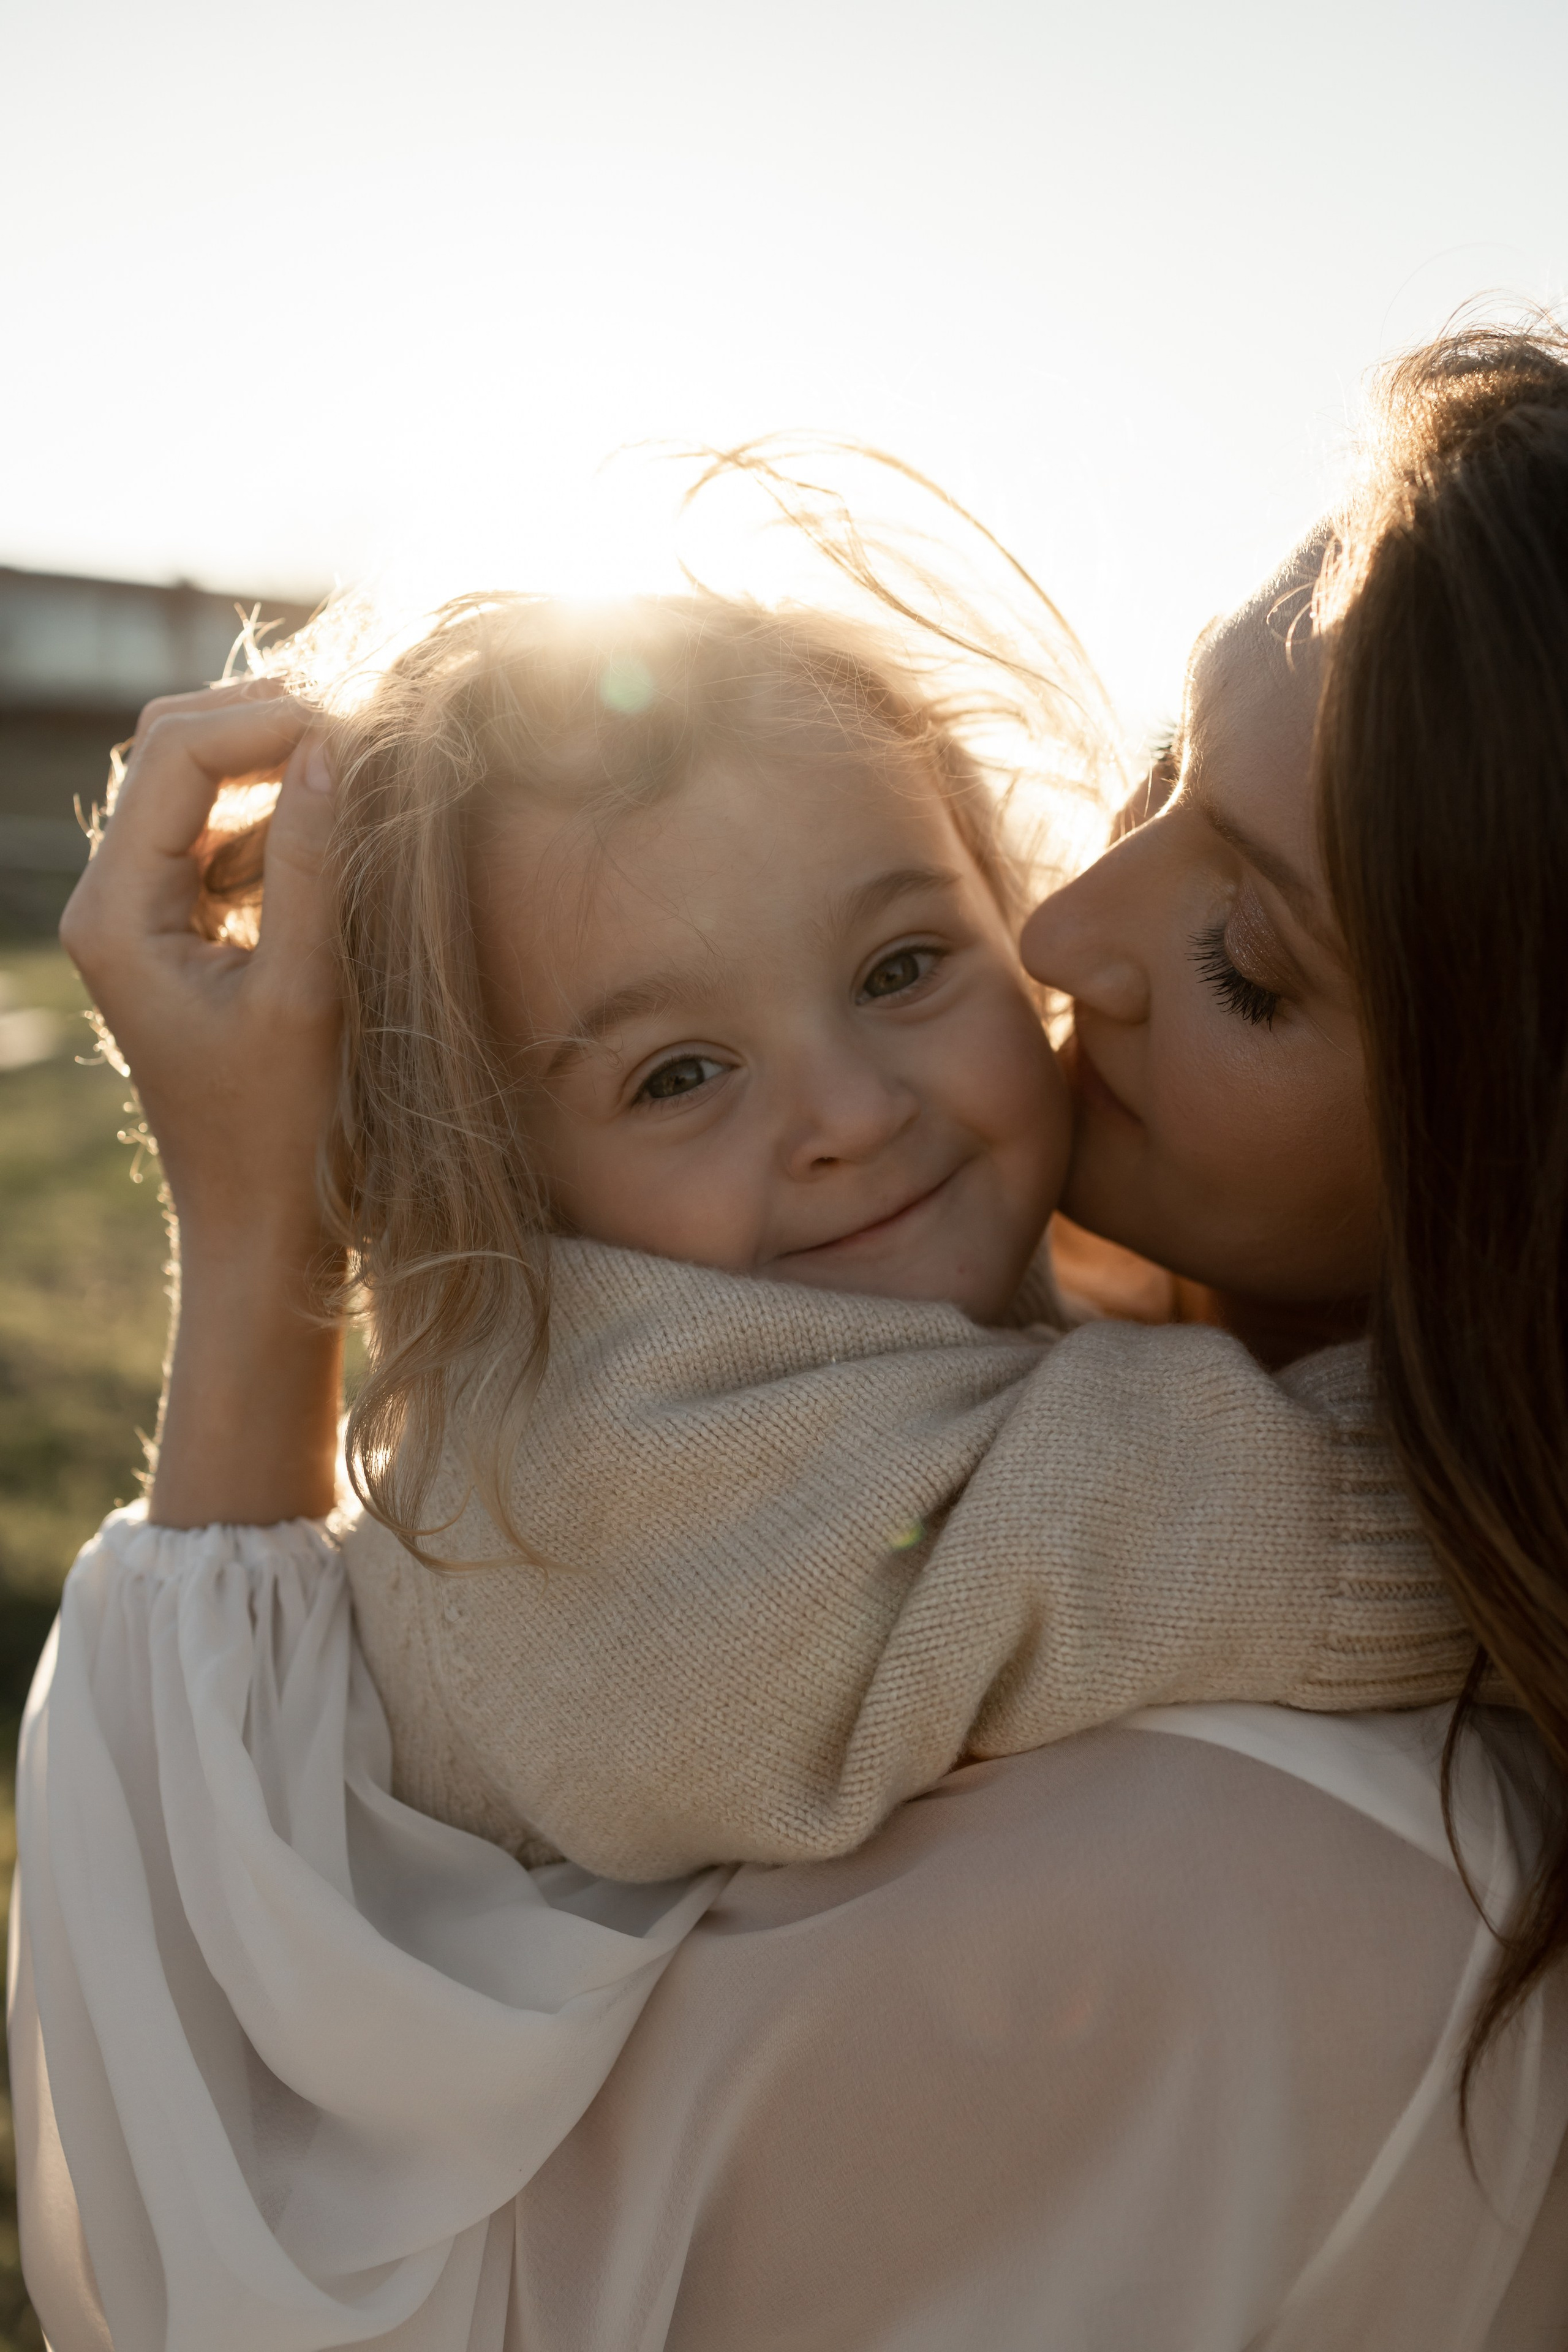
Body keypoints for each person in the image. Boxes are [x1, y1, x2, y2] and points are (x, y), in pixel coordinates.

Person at [12, 328, 1568, 2348]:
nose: (1075, 928)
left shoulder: (1280, 1894)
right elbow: (1115, 1513)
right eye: (1162, 778)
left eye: (1249, 959)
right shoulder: (631, 1469)